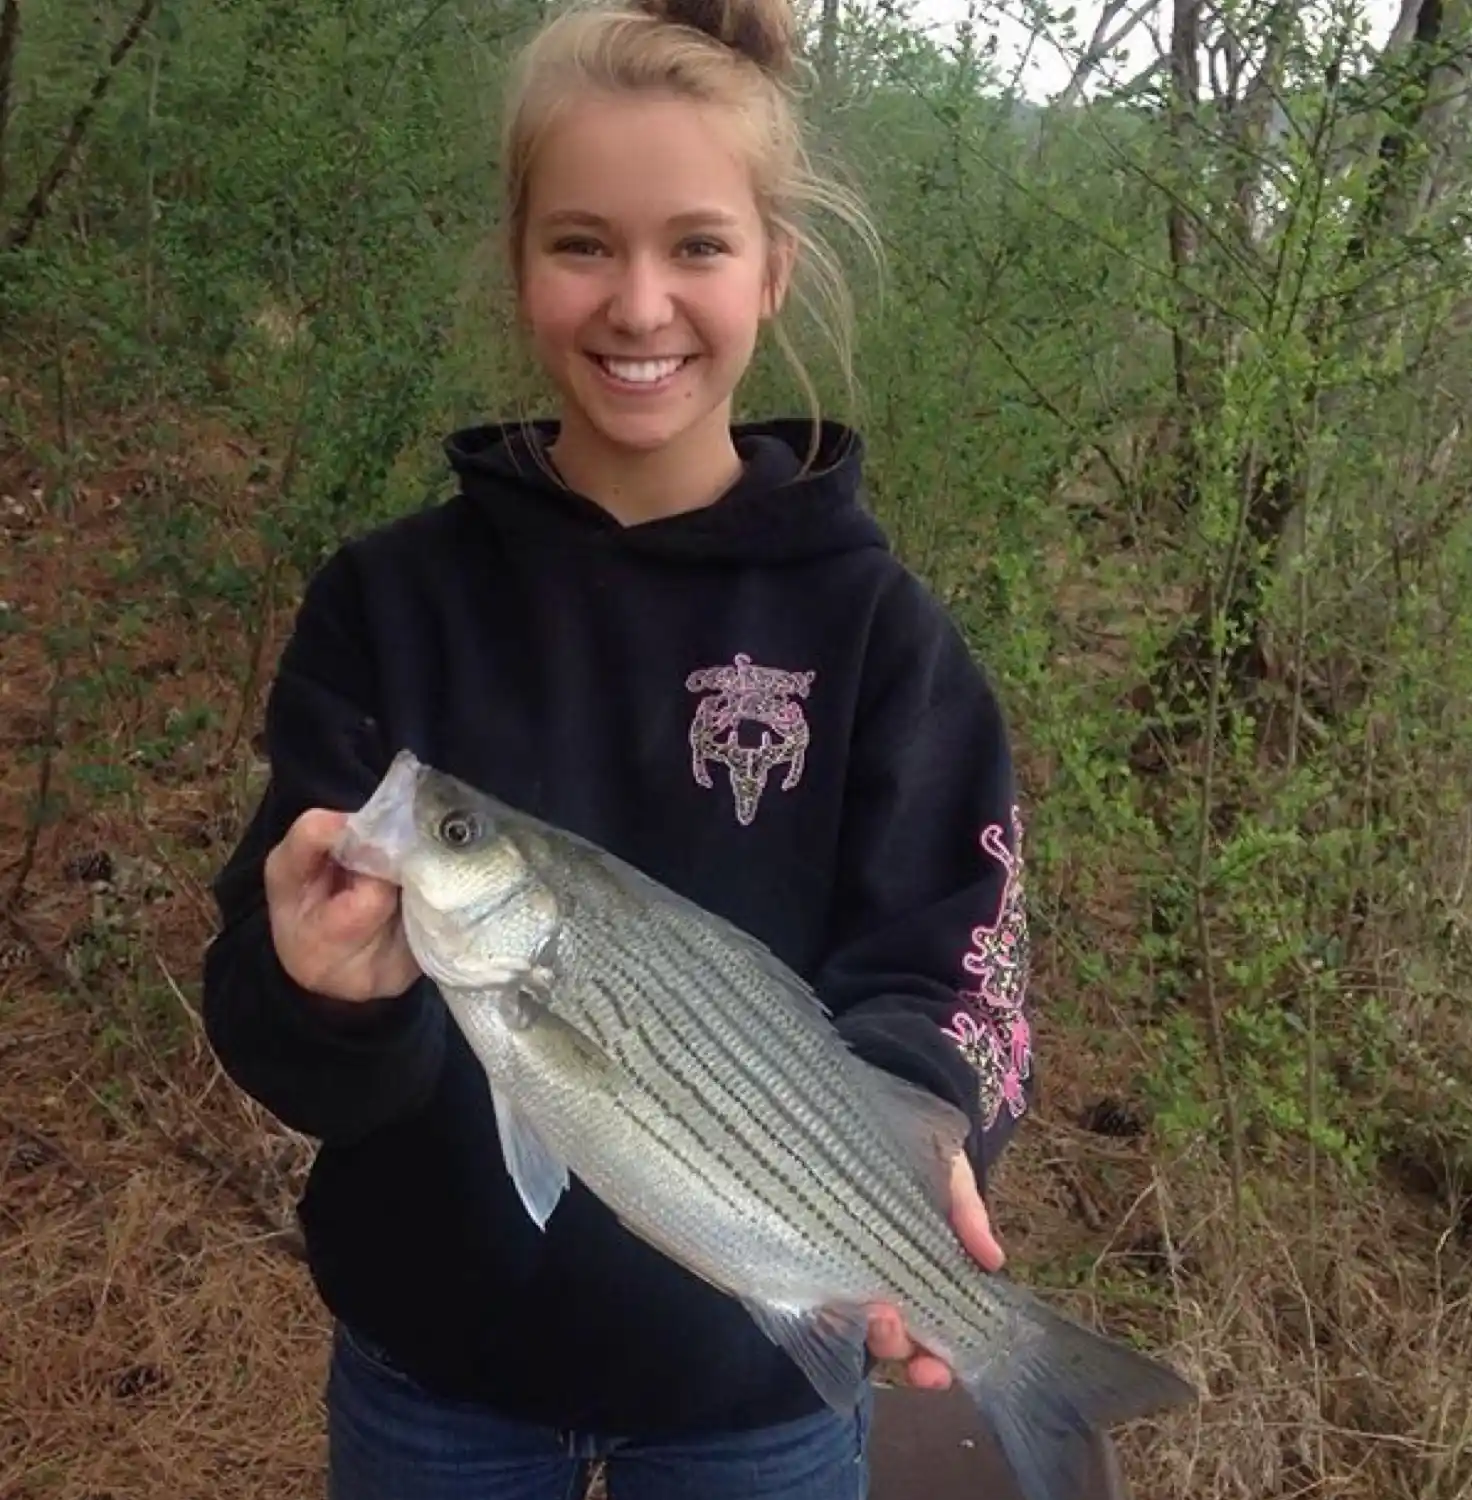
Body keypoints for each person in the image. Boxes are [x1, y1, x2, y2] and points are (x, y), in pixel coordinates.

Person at [201, 0, 1035, 1495]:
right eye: (584, 243)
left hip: (760, 1395)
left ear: (774, 270)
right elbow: (286, 1044)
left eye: (697, 246)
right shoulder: (389, 606)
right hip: (433, 1372)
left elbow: (949, 970)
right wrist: (321, 998)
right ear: (518, 266)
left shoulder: (884, 642)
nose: (639, 305)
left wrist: (918, 1161)